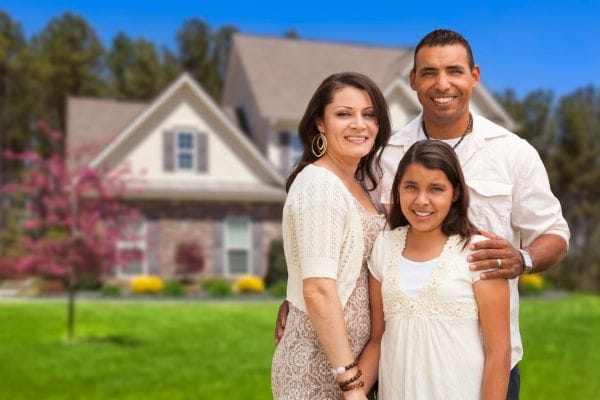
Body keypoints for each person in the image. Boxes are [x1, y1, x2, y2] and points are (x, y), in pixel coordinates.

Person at [275, 29, 570, 399]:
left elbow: (555, 234)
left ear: (474, 76)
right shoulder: (383, 154)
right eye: (428, 72)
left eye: (454, 71)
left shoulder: (513, 152)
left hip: (490, 363)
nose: (442, 83)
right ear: (413, 81)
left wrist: (521, 258)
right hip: (397, 361)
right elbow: (345, 231)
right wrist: (302, 295)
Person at [271, 72, 391, 399]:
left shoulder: (363, 185)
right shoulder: (319, 185)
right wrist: (350, 383)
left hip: (354, 364)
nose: (359, 124)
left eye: (369, 115)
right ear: (320, 124)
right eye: (343, 114)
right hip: (320, 364)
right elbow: (319, 291)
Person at [364, 140, 510, 399]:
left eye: (436, 189)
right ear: (398, 189)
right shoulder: (384, 246)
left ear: (455, 193)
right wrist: (351, 392)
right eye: (411, 187)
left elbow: (498, 353)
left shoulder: (479, 252)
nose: (422, 201)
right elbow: (377, 340)